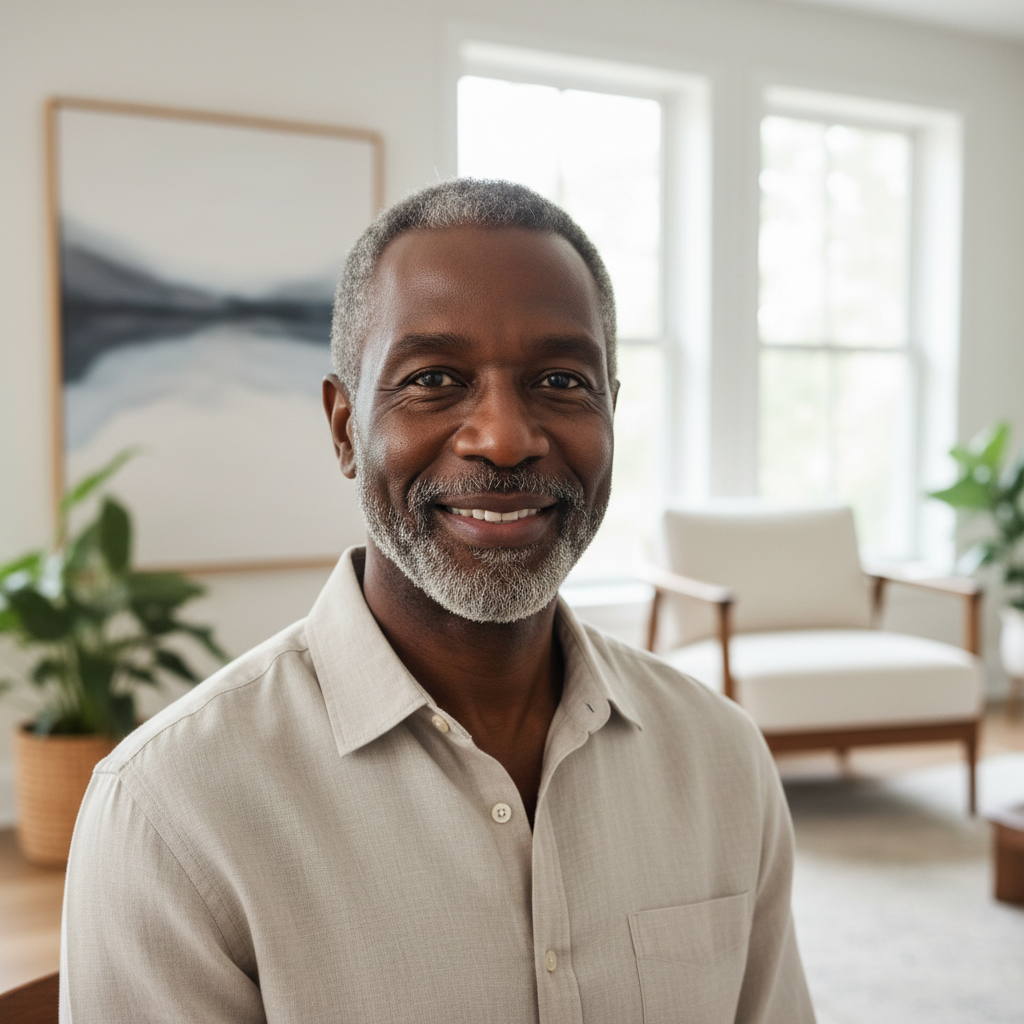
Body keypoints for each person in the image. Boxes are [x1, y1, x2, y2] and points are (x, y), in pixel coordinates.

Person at [61, 179, 815, 1023]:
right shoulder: (173, 810)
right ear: (346, 428)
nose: (503, 438)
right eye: (435, 379)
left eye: (562, 380)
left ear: (610, 412)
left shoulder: (721, 758)